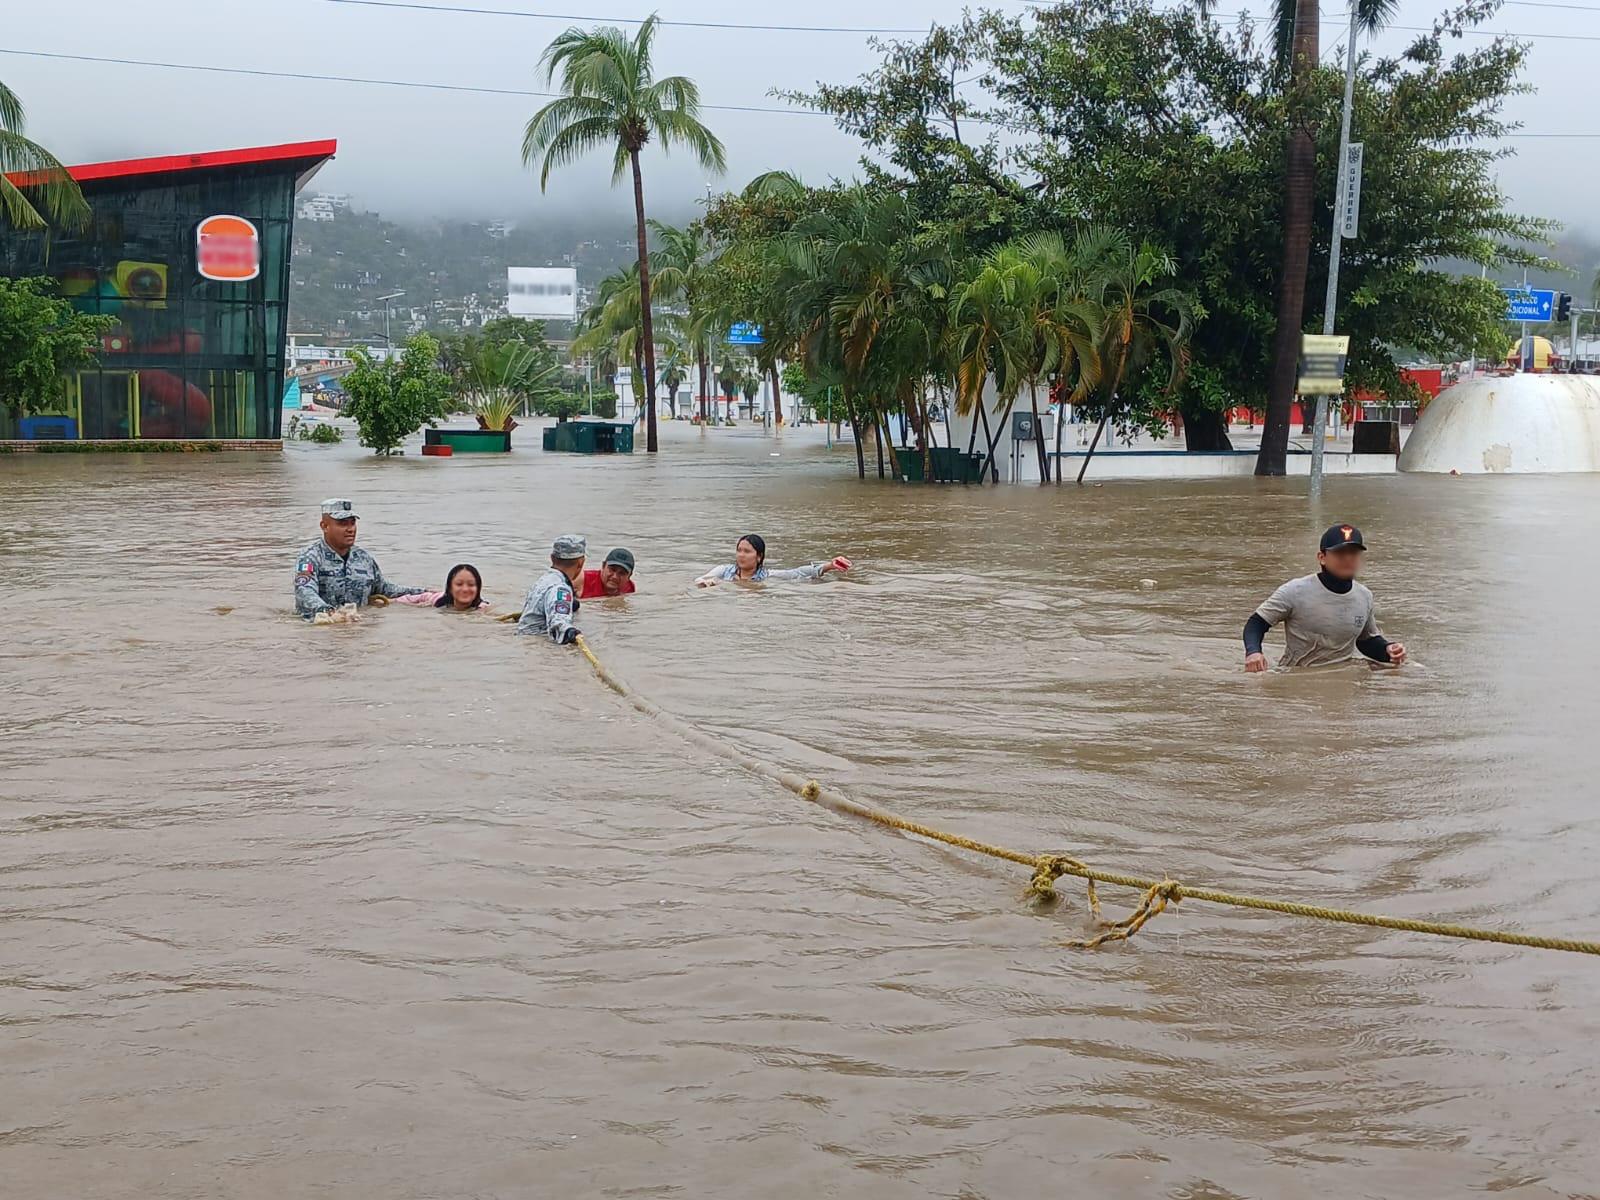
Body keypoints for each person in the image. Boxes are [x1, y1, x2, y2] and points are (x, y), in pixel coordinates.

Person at [1243, 524, 1407, 672]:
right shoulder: (1295, 590)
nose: (1348, 559)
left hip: (1343, 677)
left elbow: (1366, 640)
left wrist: (1388, 650)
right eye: (1340, 553)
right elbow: (1256, 623)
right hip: (1298, 675)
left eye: (1353, 553)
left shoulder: (1364, 596)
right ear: (1322, 557)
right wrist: (1253, 652)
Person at [294, 498, 423, 623]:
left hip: (358, 628)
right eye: (343, 524)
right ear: (325, 526)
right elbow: (305, 592)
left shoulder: (364, 558)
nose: (350, 529)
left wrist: (423, 593)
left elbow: (384, 589)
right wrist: (328, 612)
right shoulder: (310, 557)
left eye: (352, 523)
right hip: (323, 630)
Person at [696, 534, 852, 587]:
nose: (741, 555)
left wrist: (829, 565)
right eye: (739, 550)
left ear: (759, 556)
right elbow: (699, 580)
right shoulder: (724, 571)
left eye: (747, 551)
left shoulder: (767, 576)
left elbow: (798, 573)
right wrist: (712, 583)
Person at [517, 534, 586, 644]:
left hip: (523, 641)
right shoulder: (560, 588)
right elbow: (559, 624)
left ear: (552, 558)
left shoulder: (542, 581)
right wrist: (571, 632)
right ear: (581, 562)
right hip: (537, 645)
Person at [391, 563, 490, 611]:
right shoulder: (439, 599)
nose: (465, 589)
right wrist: (391, 601)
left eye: (471, 585)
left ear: (478, 588)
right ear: (450, 587)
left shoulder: (482, 608)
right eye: (459, 584)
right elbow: (410, 599)